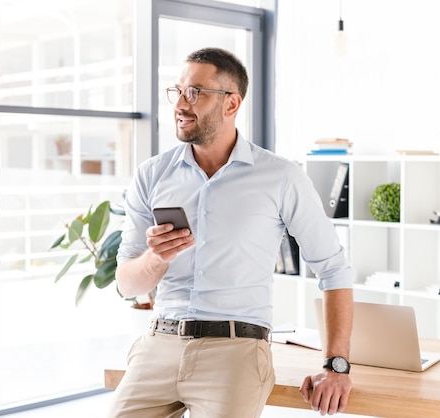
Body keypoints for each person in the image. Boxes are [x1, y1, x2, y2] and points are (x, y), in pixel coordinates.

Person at [106, 47, 354, 418]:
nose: (180, 104)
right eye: (177, 92)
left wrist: (336, 365)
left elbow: (333, 269)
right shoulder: (152, 174)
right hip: (159, 344)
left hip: (235, 350)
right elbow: (126, 284)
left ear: (231, 103)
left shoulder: (281, 176)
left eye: (195, 92)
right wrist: (156, 257)